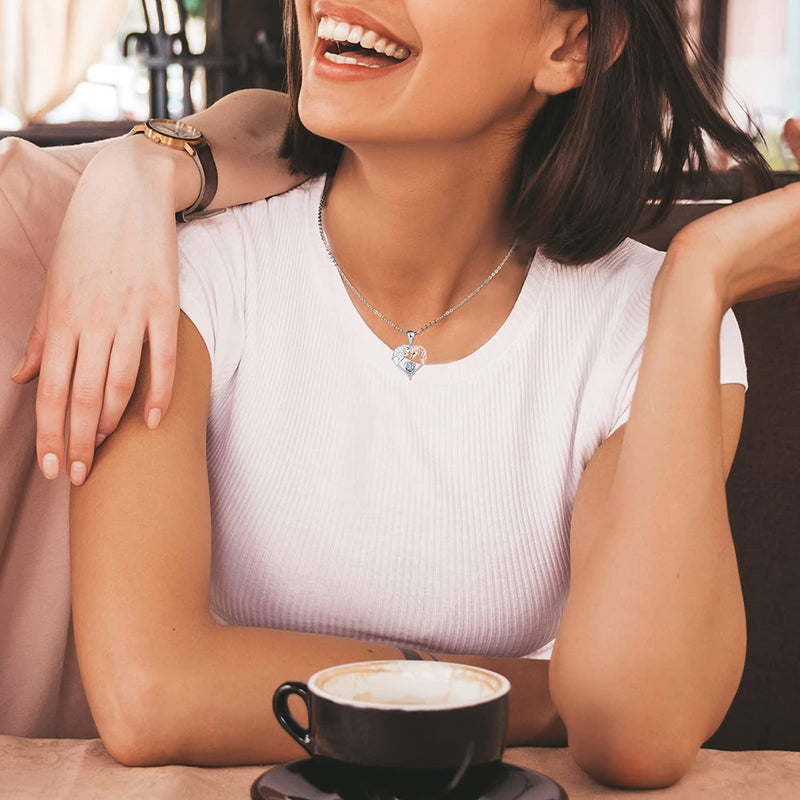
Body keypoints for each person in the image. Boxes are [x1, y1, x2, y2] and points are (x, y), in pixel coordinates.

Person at [4, 0, 800, 789]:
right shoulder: (173, 269)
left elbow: (635, 729)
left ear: (572, 43)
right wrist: (538, 693)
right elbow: (151, 693)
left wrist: (701, 275)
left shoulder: (647, 324)